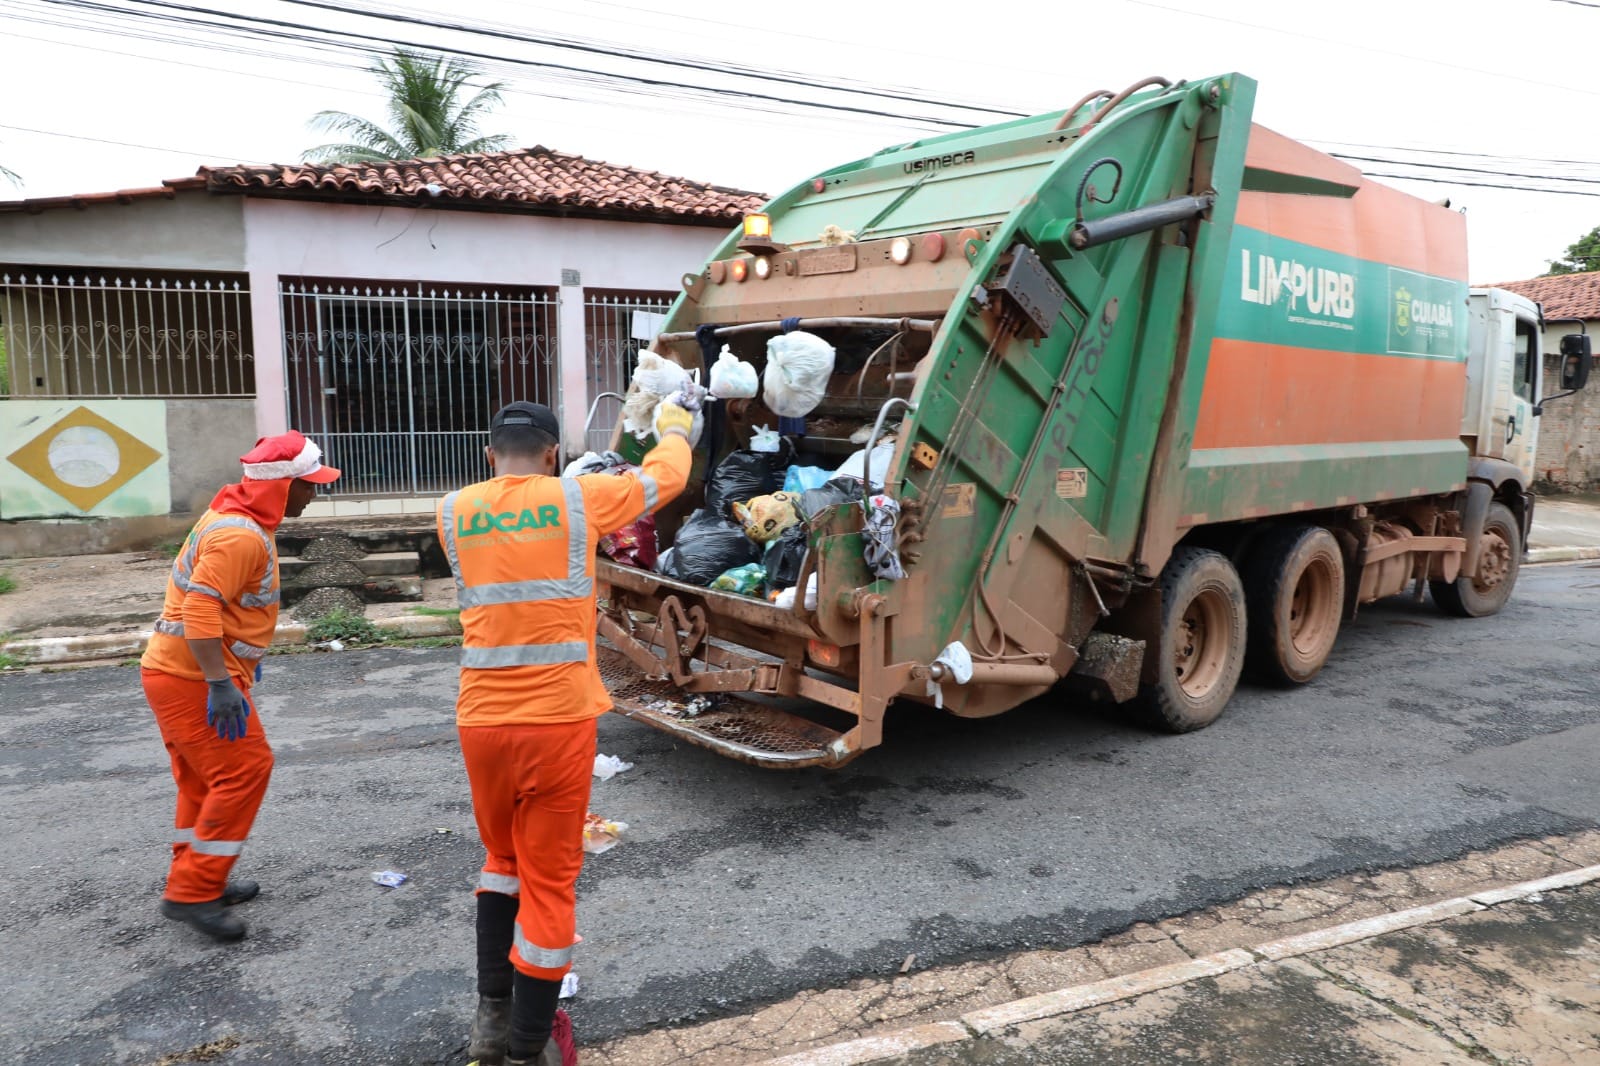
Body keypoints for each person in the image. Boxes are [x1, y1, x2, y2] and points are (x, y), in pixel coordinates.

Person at [443, 399, 693, 1066]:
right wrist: (672, 426)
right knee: (549, 885)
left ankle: (491, 1025)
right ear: (553, 454)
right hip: (556, 722)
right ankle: (530, 1049)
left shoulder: (452, 510)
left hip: (483, 721)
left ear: (490, 452)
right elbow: (664, 479)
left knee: (502, 864)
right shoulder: (578, 500)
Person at [139, 431, 340, 942]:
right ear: (283, 486)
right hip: (191, 678)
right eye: (309, 486)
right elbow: (200, 608)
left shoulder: (234, 519)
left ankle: (199, 877)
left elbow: (225, 609)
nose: (314, 495)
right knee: (246, 770)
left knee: (204, 782)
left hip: (178, 671)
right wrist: (220, 683)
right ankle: (193, 892)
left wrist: (240, 663)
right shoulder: (240, 536)